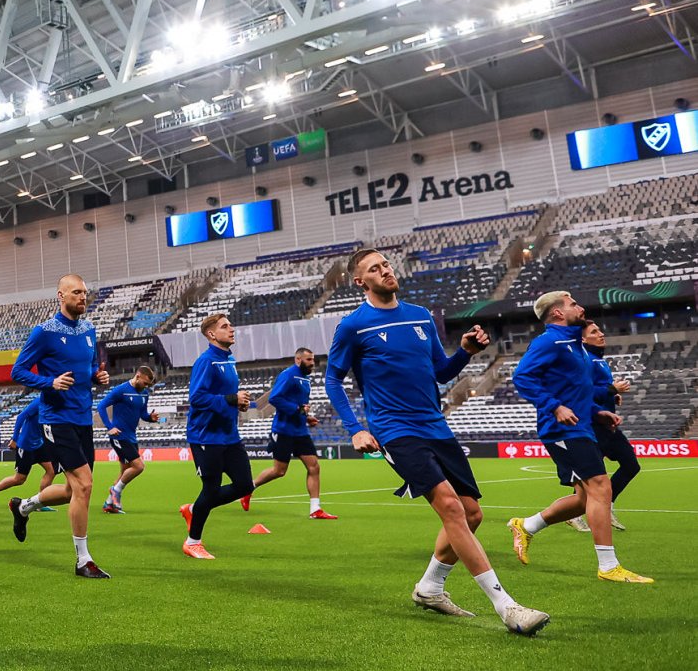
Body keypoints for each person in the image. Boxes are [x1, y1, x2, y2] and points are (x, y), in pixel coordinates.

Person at [328, 248, 549, 635]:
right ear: (360, 281)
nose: (385, 270)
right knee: (450, 506)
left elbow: (440, 372)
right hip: (395, 430)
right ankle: (507, 607)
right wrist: (355, 428)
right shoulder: (353, 326)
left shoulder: (419, 316)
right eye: (374, 269)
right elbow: (332, 379)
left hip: (436, 426)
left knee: (472, 513)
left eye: (386, 264)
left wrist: (464, 353)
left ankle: (429, 587)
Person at [505, 293, 652, 583]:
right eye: (573, 304)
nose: (580, 307)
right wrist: (555, 407)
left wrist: (598, 412)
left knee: (585, 498)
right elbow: (522, 377)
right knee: (601, 487)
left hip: (582, 426)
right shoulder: (550, 341)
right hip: (561, 429)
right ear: (558, 313)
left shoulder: (576, 347)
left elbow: (577, 390)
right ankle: (608, 566)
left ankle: (526, 525)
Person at [7, 274, 112, 578]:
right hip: (56, 418)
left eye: (85, 292)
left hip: (82, 417)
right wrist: (49, 383)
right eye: (77, 292)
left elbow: (88, 366)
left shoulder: (90, 329)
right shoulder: (45, 332)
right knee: (86, 485)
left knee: (70, 491)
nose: (83, 297)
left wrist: (96, 376)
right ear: (61, 296)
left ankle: (23, 506)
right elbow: (18, 371)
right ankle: (83, 560)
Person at [177, 314, 256, 558]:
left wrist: (238, 403)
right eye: (225, 326)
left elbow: (223, 397)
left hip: (230, 436)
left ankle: (194, 509)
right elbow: (197, 399)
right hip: (205, 437)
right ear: (211, 334)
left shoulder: (229, 359)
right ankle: (192, 542)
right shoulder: (206, 361)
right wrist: (232, 399)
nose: (231, 329)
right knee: (211, 490)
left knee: (245, 485)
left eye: (231, 324)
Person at [241, 347, 338, 520]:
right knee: (279, 471)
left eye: (313, 360)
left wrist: (307, 417)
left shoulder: (305, 379)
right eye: (308, 360)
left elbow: (301, 406)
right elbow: (275, 398)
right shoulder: (288, 375)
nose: (312, 363)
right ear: (298, 360)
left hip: (300, 431)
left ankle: (315, 509)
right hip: (284, 430)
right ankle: (248, 489)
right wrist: (297, 409)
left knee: (314, 466)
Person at [566, 320, 638, 532]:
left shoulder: (598, 360)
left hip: (607, 424)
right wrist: (610, 389)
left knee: (631, 465)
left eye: (600, 329)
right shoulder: (585, 360)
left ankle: (605, 506)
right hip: (593, 425)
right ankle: (576, 513)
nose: (601, 333)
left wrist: (611, 396)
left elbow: (598, 391)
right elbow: (583, 393)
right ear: (582, 338)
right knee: (592, 475)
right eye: (594, 331)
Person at [95, 365, 159, 514]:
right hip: (119, 436)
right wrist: (109, 427)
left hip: (132, 436)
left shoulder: (144, 393)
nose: (146, 386)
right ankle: (115, 491)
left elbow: (142, 414)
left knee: (124, 471)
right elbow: (101, 406)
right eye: (145, 383)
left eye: (148, 385)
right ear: (137, 376)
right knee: (138, 466)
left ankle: (109, 504)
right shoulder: (121, 390)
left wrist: (150, 418)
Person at [0, 397, 57, 512]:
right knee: (20, 479)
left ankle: (40, 502)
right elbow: (21, 416)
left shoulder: (56, 403)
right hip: (26, 445)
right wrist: (15, 438)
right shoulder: (40, 401)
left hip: (39, 444)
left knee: (51, 470)